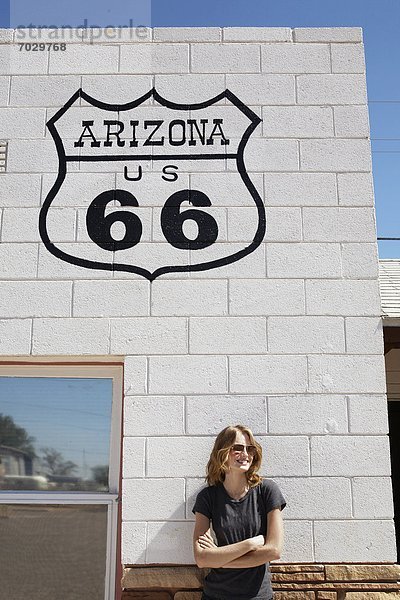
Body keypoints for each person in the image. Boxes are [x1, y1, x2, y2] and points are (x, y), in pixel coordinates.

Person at [192, 424, 286, 600]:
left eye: (250, 449)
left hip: (257, 596)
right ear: (222, 452)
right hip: (216, 595)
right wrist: (251, 543)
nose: (245, 454)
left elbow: (274, 551)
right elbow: (202, 559)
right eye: (237, 448)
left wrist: (220, 559)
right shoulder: (207, 497)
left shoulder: (267, 491)